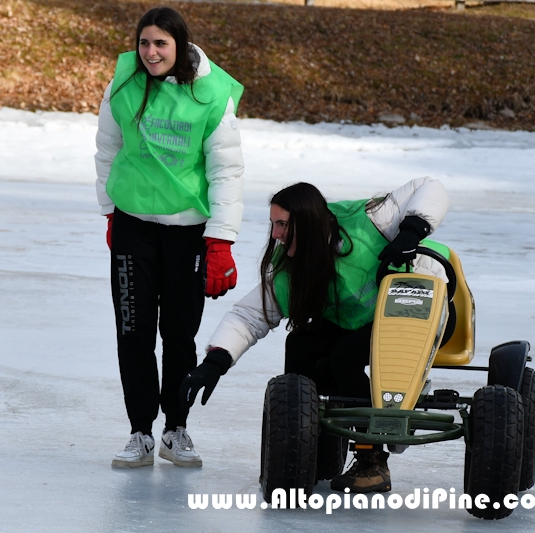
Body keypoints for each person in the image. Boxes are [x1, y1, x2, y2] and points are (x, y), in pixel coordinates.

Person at [180, 177, 449, 492]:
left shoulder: (371, 222)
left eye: (282, 224)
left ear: (307, 221)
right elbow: (250, 314)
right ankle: (308, 450)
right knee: (303, 345)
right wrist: (216, 361)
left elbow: (429, 186)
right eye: (274, 225)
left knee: (344, 358)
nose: (276, 235)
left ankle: (372, 458)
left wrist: (412, 230)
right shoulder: (291, 266)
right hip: (357, 321)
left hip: (416, 309)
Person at [94, 6, 245, 468]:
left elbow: (226, 171)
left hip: (188, 234)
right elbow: (107, 149)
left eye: (160, 43)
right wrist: (109, 214)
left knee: (180, 333)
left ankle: (175, 429)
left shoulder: (212, 92)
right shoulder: (122, 83)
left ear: (179, 45)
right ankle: (140, 431)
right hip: (133, 226)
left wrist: (220, 240)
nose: (150, 52)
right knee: (133, 332)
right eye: (144, 43)